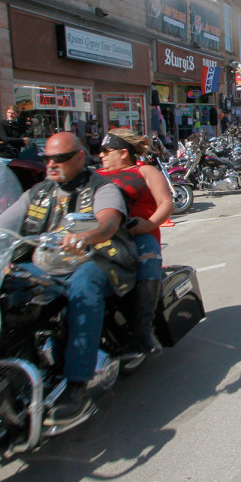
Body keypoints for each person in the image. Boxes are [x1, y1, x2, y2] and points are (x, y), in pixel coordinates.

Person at [0, 132, 133, 425]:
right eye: (47, 158)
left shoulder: (102, 188)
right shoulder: (38, 192)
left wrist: (88, 235)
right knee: (3, 289)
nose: (52, 164)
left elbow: (108, 222)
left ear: (80, 157)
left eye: (60, 158)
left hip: (98, 259)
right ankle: (2, 369)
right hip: (47, 263)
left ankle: (77, 383)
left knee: (83, 289)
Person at [96, 128, 173, 362]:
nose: (101, 156)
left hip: (137, 233)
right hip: (100, 236)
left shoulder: (145, 170)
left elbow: (166, 202)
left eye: (106, 151)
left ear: (123, 152)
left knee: (148, 259)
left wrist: (148, 224)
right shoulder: (94, 175)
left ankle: (143, 330)